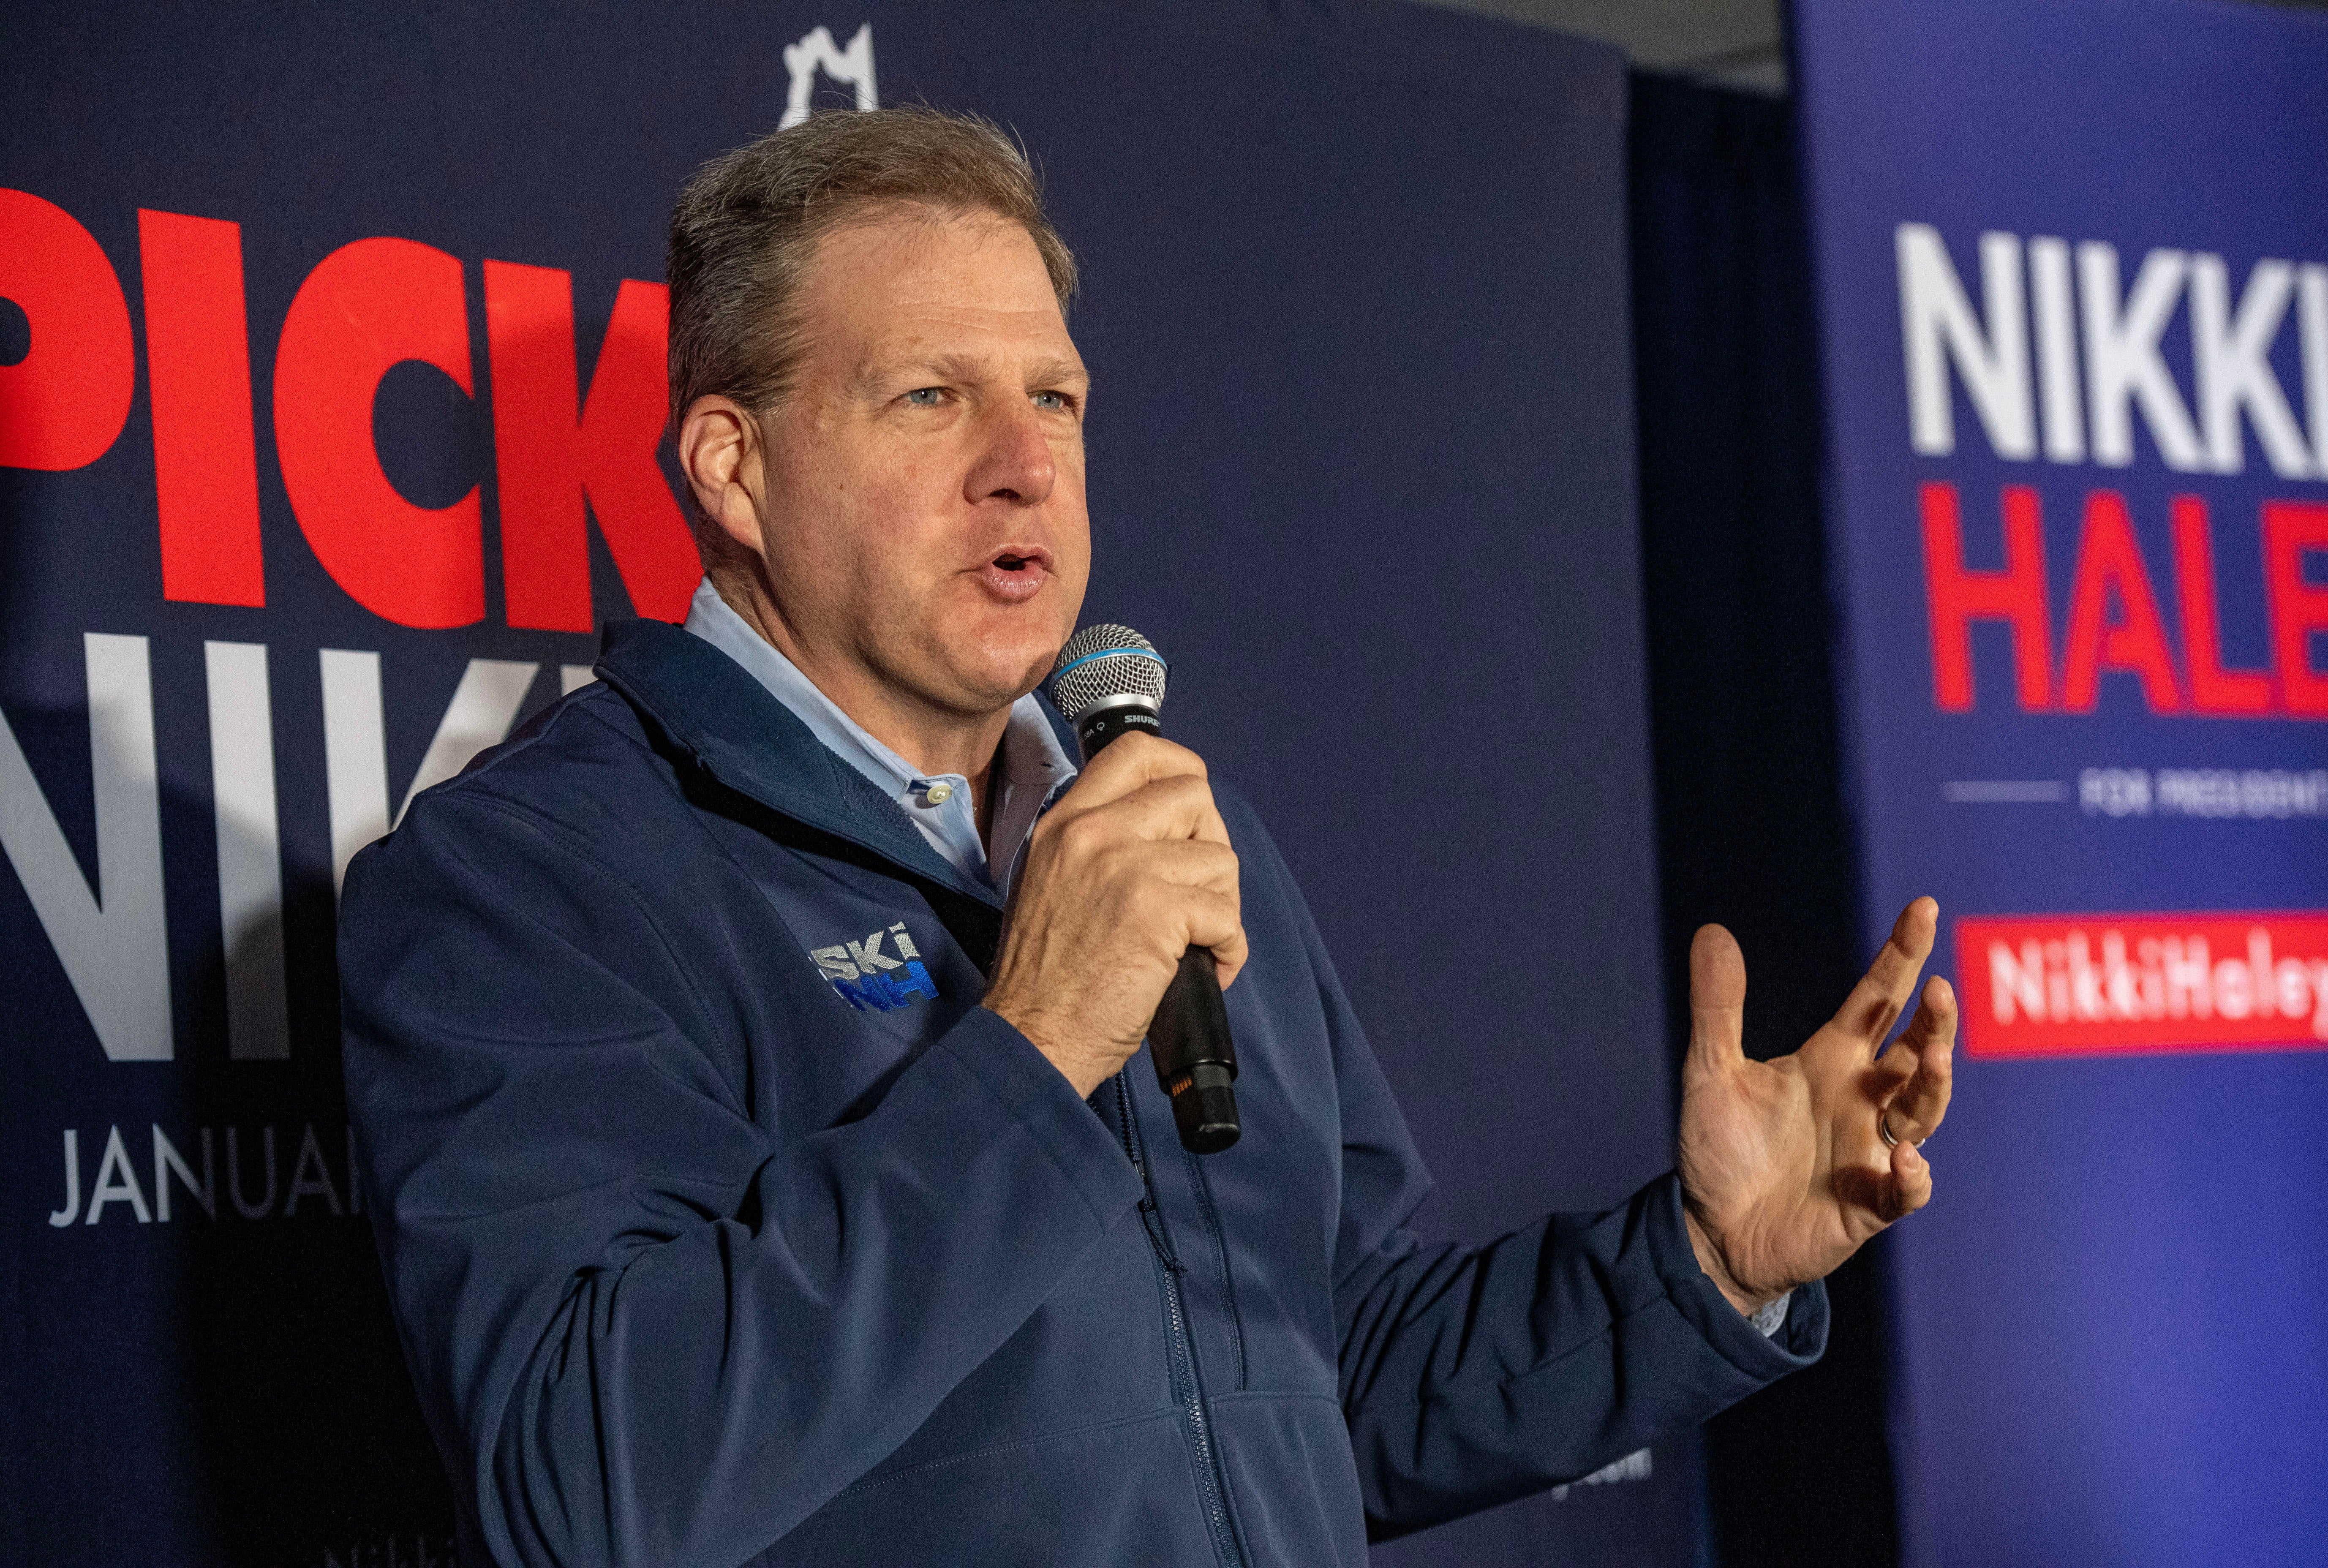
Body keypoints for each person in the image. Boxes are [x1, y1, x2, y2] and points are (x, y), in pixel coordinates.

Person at [341, 107, 1955, 1568]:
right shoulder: (528, 882)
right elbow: (586, 1485)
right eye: (929, 397)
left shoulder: (1167, 828)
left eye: (1055, 396)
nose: (1024, 464)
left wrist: (1702, 1264)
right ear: (734, 467)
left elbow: (1331, 1375)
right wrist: (1035, 1050)